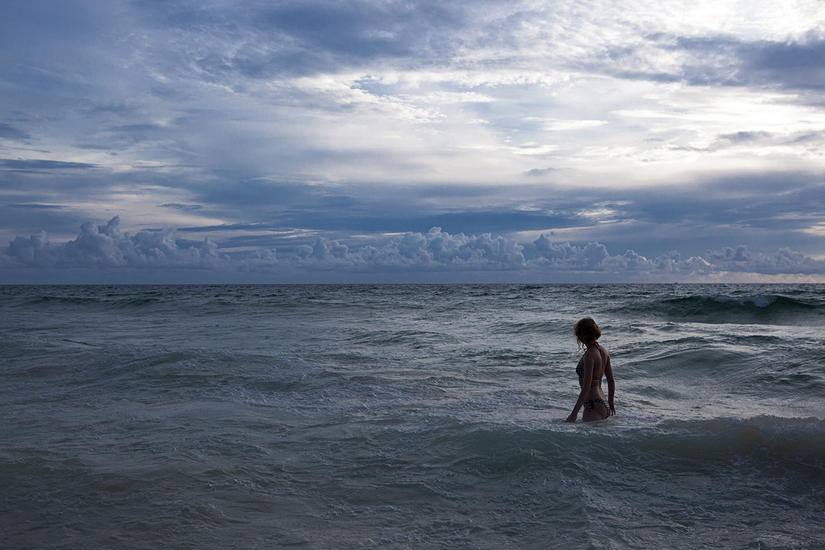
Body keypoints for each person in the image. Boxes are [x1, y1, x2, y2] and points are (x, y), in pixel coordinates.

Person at [565, 318, 615, 422]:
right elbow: (611, 380)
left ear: (581, 336)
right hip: (603, 402)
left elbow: (586, 387)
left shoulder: (589, 356)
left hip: (593, 404)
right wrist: (610, 402)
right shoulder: (603, 352)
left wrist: (574, 413)